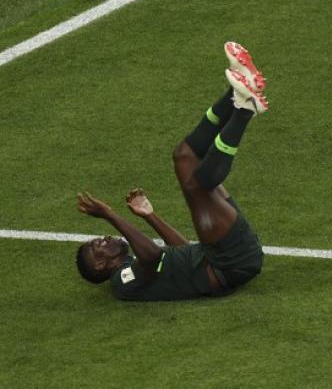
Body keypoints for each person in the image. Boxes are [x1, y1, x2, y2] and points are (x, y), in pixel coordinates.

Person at [74, 42, 269, 301]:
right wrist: (109, 214)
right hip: (230, 265)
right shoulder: (121, 282)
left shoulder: (138, 267)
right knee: (197, 185)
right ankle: (245, 110)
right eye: (99, 244)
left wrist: (150, 216)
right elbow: (153, 256)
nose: (106, 238)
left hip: (224, 254)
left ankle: (235, 94)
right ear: (100, 264)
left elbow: (182, 249)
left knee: (184, 156)